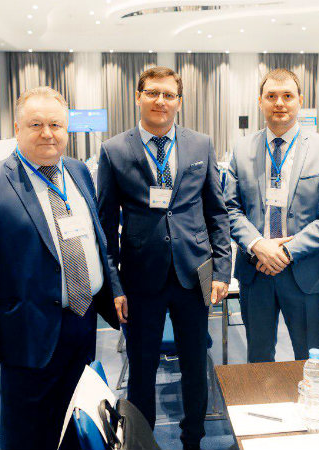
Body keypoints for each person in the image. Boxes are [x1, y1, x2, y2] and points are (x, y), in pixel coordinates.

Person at [0, 87, 120, 450]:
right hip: (26, 332)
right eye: (36, 124)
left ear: (67, 129)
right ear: (17, 128)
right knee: (28, 432)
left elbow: (96, 242)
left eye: (56, 125)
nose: (47, 133)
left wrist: (113, 290)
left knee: (76, 418)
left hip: (82, 321)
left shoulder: (78, 171)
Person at [97, 66, 231, 450]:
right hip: (140, 278)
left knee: (195, 365)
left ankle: (193, 440)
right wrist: (114, 286)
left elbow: (217, 212)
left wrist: (222, 270)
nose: (161, 101)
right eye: (153, 93)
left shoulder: (200, 145)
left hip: (194, 272)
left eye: (169, 95)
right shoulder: (114, 150)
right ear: (137, 97)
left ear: (179, 101)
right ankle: (142, 442)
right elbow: (105, 226)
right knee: (142, 369)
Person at [224, 68, 319, 363]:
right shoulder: (241, 149)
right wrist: (258, 245)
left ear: (300, 100)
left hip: (306, 273)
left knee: (309, 360)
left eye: (287, 96)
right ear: (260, 102)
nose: (279, 103)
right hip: (256, 270)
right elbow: (229, 208)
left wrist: (287, 251)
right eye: (271, 96)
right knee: (259, 360)